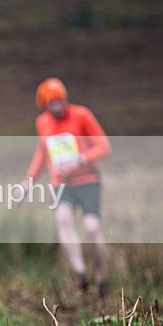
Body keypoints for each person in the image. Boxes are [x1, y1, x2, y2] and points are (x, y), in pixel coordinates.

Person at [19, 78, 112, 298]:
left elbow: (103, 146)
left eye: (60, 102)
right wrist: (28, 181)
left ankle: (101, 278)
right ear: (45, 106)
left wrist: (81, 159)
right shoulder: (42, 123)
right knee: (63, 220)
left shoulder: (82, 115)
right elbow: (43, 152)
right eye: (52, 104)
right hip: (62, 184)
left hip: (88, 180)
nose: (57, 107)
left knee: (91, 227)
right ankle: (81, 275)